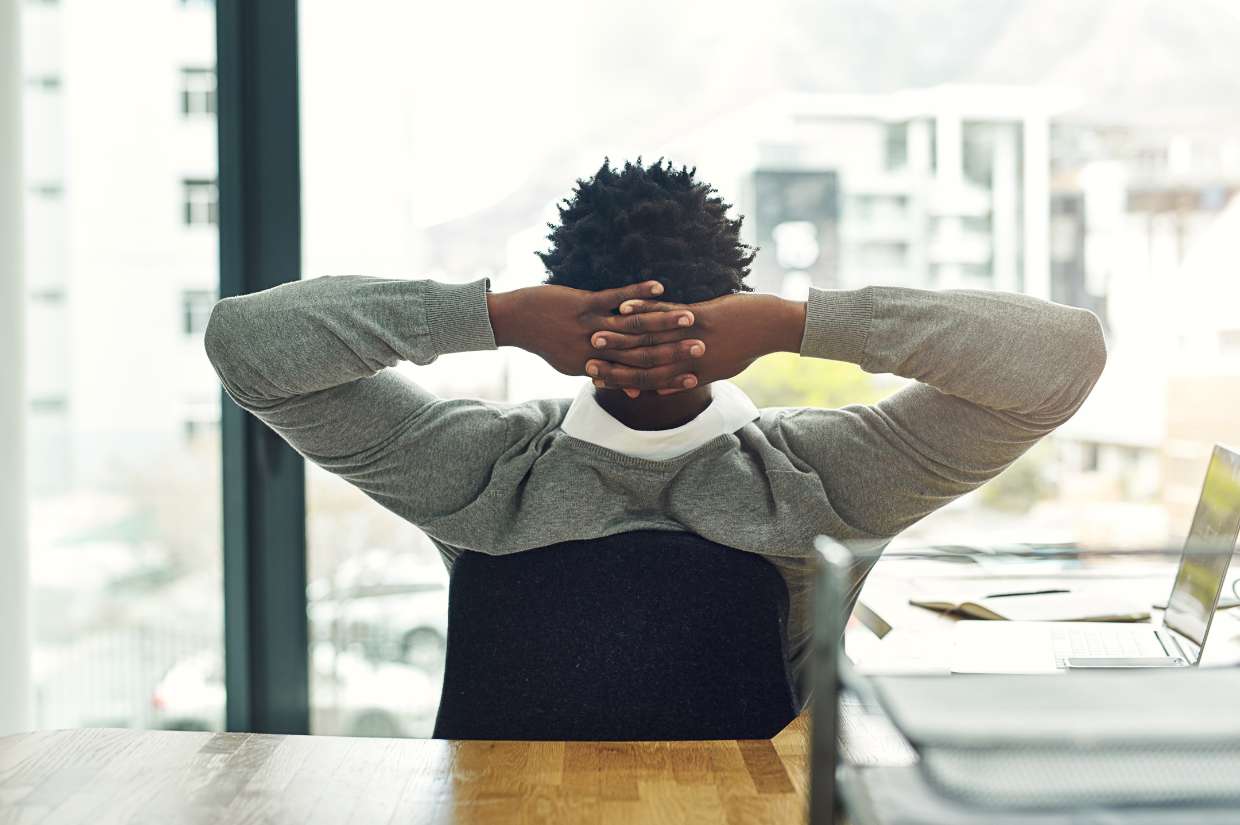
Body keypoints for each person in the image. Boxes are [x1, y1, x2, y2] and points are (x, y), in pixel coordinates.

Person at [204, 158, 1107, 708]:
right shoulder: (828, 480)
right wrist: (797, 323)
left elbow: (246, 345)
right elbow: (1062, 361)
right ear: (730, 312)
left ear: (567, 314)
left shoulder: (477, 472)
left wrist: (500, 317)